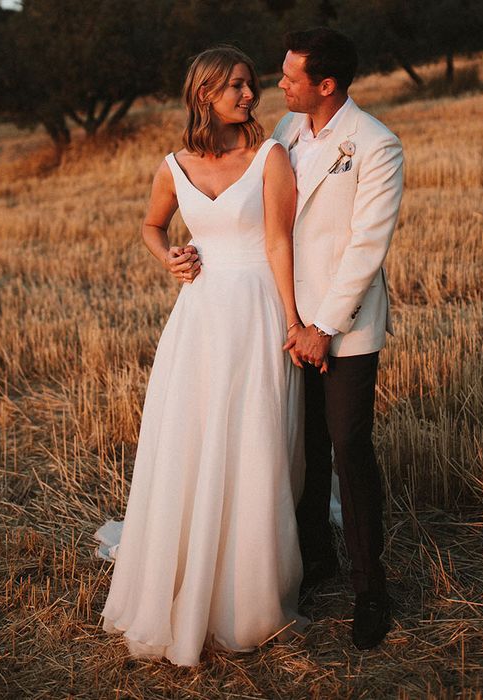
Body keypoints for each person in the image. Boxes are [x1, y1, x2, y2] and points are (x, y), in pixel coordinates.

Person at [94, 46, 308, 667]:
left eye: (250, 84)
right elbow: (151, 226)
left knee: (253, 441)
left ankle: (247, 594)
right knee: (191, 438)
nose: (250, 94)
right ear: (205, 95)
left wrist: (293, 322)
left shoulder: (271, 158)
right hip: (198, 317)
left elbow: (277, 242)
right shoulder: (173, 165)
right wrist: (171, 258)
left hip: (257, 313)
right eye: (235, 86)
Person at [273, 28, 404, 650]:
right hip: (284, 322)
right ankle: (314, 559)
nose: (280, 85)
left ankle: (369, 588)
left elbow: (366, 247)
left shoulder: (377, 144)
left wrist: (323, 326)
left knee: (350, 447)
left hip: (343, 329)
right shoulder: (283, 132)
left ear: (326, 85)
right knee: (304, 447)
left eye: (290, 77)